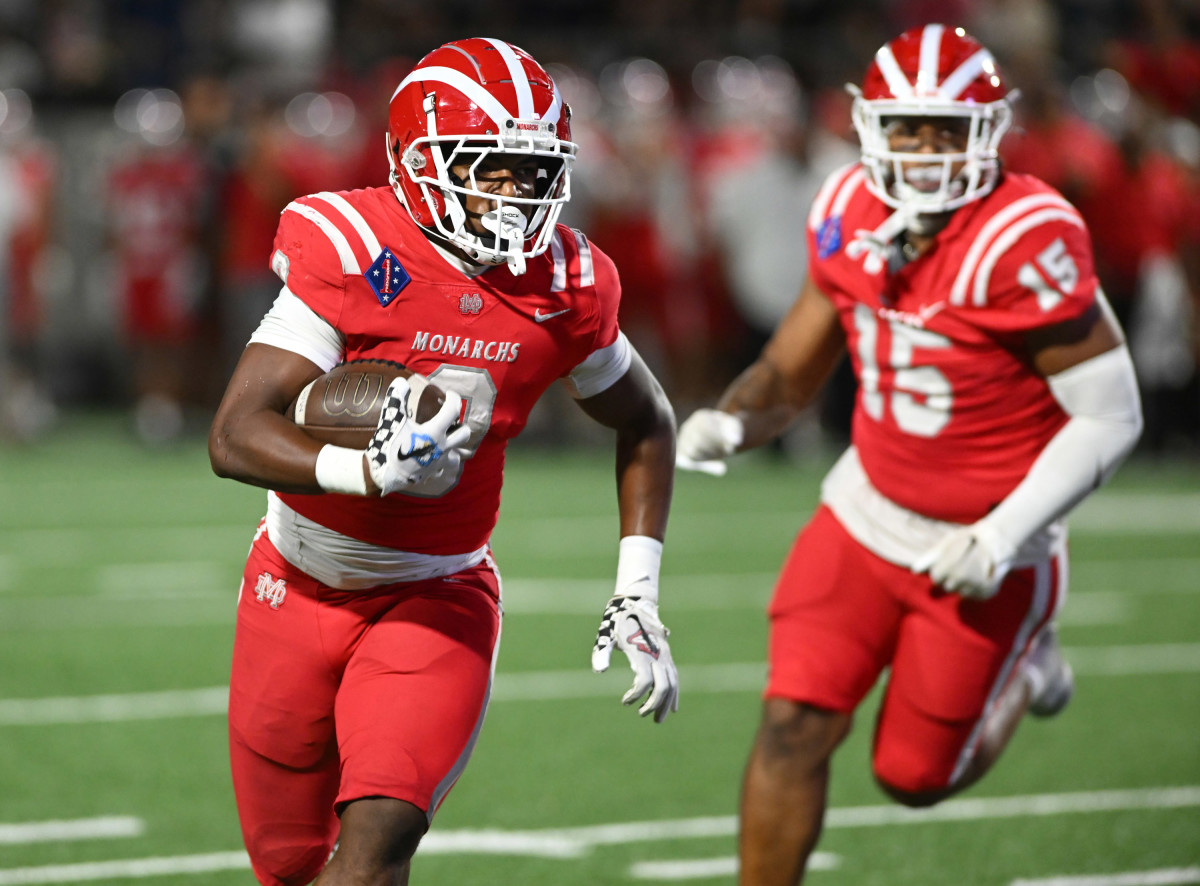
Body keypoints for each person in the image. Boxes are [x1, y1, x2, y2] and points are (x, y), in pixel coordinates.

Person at [675, 24, 1143, 885]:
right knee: (791, 726)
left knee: (914, 779)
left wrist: (1001, 537)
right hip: (864, 514)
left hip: (985, 541)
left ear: (988, 132)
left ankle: (1030, 671)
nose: (924, 151)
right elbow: (792, 365)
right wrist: (733, 420)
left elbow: (1111, 416)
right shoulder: (846, 204)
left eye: (946, 130)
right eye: (906, 128)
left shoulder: (1023, 233)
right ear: (869, 125)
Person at [208, 38, 679, 886]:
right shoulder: (353, 246)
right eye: (491, 167)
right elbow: (236, 433)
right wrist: (363, 470)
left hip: (437, 592)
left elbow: (646, 421)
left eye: (533, 171)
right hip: (295, 581)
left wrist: (637, 586)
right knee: (288, 866)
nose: (515, 193)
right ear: (420, 162)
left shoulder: (566, 283)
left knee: (375, 847)